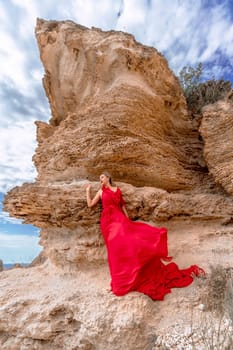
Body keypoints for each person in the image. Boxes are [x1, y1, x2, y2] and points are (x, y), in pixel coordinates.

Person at [85, 172, 205, 301]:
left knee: (130, 246)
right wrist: (87, 192)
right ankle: (116, 282)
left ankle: (131, 276)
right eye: (99, 179)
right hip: (107, 224)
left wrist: (128, 221)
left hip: (120, 220)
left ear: (108, 178)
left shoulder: (117, 190)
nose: (100, 180)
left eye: (102, 177)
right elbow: (90, 204)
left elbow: (122, 206)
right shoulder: (100, 192)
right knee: (114, 252)